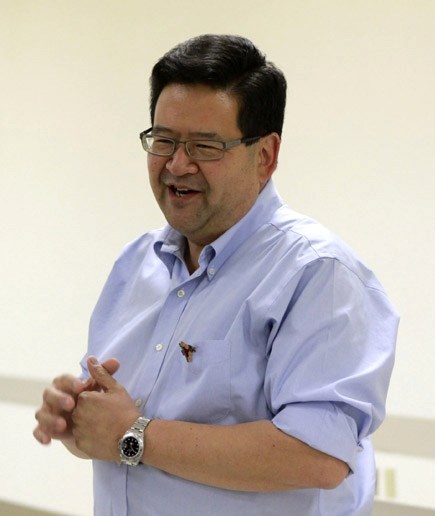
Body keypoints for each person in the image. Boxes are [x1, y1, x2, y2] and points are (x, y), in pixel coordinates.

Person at [32, 34, 399, 515]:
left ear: (264, 156)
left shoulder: (318, 275)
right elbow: (113, 436)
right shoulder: (136, 263)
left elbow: (317, 456)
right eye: (163, 140)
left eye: (205, 146)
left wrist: (134, 433)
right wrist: (77, 420)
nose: (177, 165)